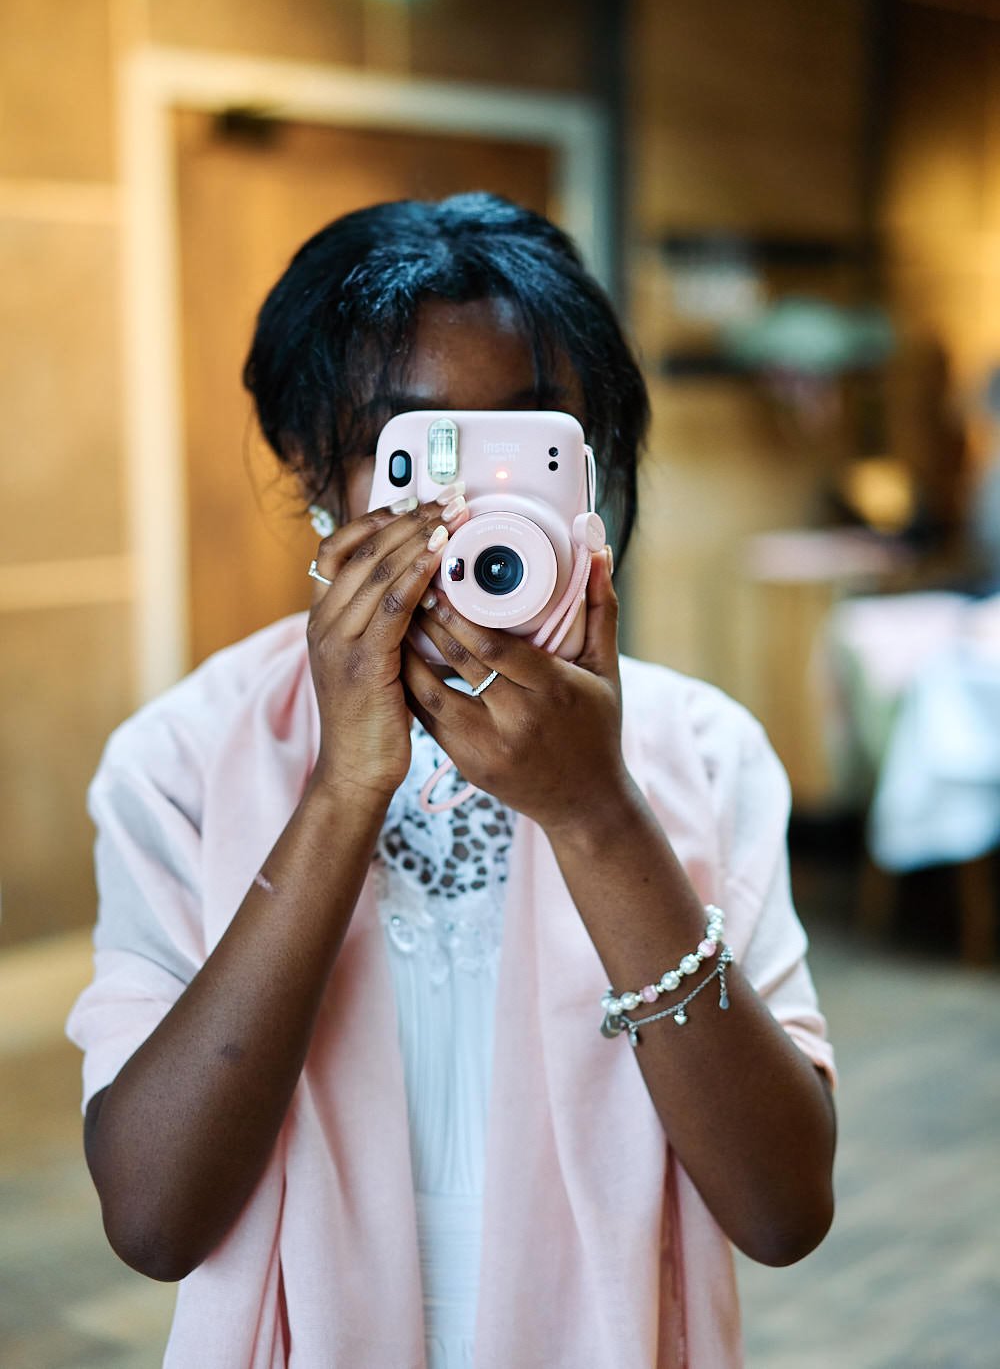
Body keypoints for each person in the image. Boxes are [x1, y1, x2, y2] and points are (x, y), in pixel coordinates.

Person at [67, 193, 836, 1369]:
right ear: (312, 461)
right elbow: (156, 1217)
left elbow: (783, 1210)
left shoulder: (702, 749)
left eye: (530, 446)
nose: (475, 508)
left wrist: (594, 812)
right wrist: (341, 792)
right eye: (420, 453)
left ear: (590, 466)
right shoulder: (183, 757)